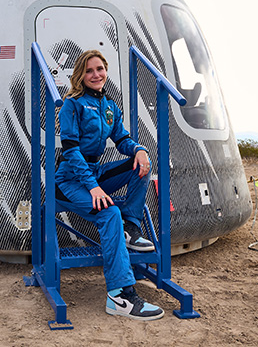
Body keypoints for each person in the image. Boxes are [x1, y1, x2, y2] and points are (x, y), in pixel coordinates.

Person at [56, 49, 164, 321]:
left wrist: (139, 149)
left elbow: (122, 140)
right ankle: (120, 295)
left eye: (99, 69)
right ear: (81, 74)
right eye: (89, 70)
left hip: (94, 171)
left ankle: (131, 227)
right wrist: (93, 187)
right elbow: (70, 150)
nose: (95, 75)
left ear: (106, 71)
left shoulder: (110, 106)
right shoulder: (73, 104)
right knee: (108, 213)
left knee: (141, 166)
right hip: (69, 178)